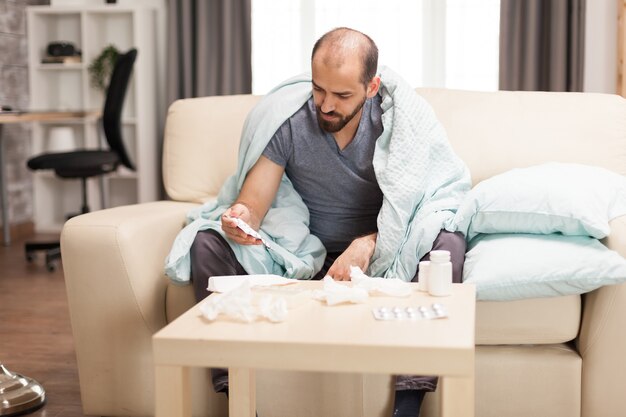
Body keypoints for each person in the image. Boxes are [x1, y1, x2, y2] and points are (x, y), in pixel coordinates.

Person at [168, 27, 471, 417]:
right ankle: (240, 401)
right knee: (205, 242)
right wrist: (241, 217)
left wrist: (368, 244)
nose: (326, 105)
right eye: (318, 89)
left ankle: (407, 406)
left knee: (447, 241)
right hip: (302, 255)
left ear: (372, 86)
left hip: (380, 253)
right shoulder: (290, 122)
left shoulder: (397, 125)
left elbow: (422, 203)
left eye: (342, 95)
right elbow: (254, 202)